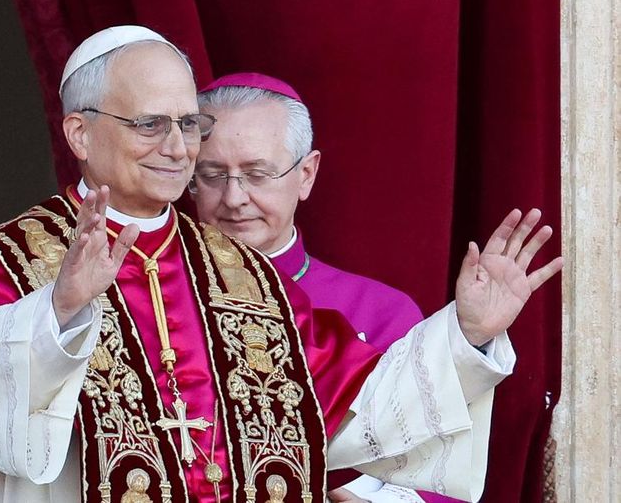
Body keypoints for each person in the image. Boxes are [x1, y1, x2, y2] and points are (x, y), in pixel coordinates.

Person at [0, 25, 562, 503]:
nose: (176, 148)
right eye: (149, 124)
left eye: (189, 125)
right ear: (80, 132)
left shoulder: (243, 273)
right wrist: (60, 313)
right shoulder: (8, 259)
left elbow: (358, 409)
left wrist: (468, 333)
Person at [191, 73, 460, 502]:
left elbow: (435, 473)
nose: (234, 197)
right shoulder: (159, 301)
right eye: (212, 175)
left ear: (306, 174)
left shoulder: (383, 314)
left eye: (257, 174)